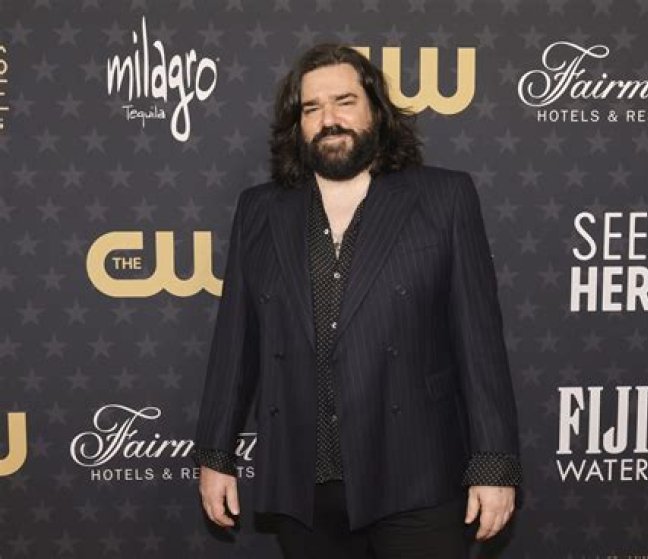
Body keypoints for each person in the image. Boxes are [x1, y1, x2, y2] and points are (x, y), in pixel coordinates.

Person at [193, 43, 522, 559]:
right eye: (312, 108)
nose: (329, 119)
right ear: (297, 125)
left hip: (417, 476)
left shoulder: (445, 198)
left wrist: (494, 464)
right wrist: (215, 453)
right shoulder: (259, 210)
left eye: (344, 102)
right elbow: (235, 342)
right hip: (304, 485)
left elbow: (479, 344)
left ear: (376, 111)